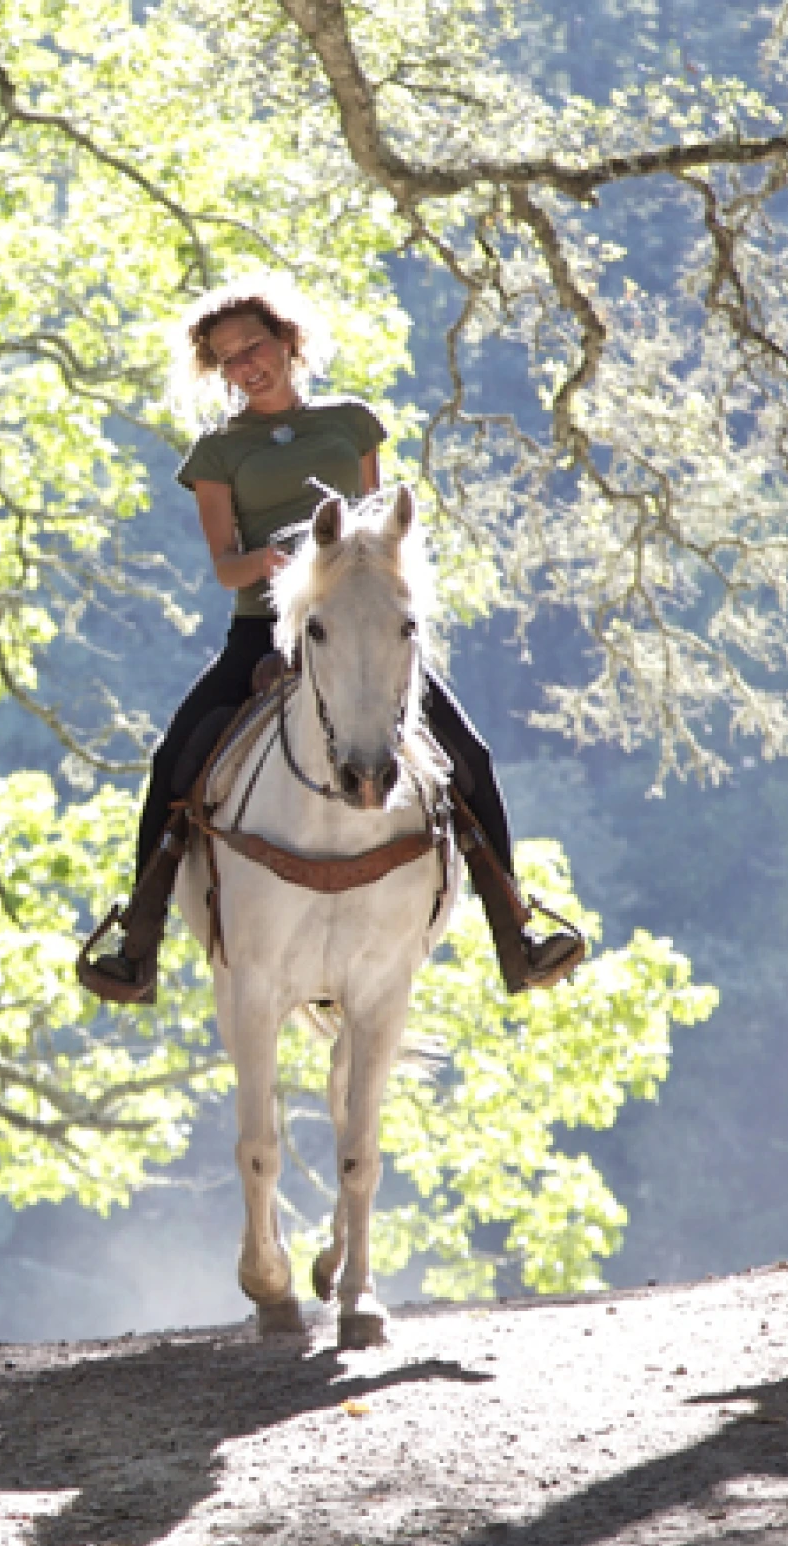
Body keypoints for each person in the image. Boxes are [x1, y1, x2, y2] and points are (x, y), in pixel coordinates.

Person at [77, 274, 586, 1004]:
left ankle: (517, 928)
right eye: (227, 359)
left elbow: (377, 533)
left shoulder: (351, 423)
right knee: (175, 758)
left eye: (253, 345)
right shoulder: (218, 452)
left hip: (358, 629)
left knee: (468, 754)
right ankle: (140, 937)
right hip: (265, 632)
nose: (245, 365)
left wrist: (357, 575)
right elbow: (226, 569)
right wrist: (283, 564)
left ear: (287, 341)